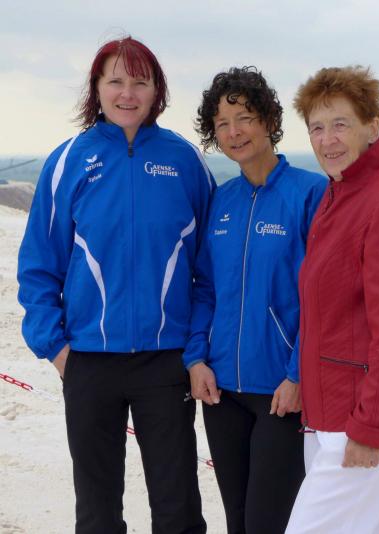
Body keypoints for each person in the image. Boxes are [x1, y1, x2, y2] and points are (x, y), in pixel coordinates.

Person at [17, 36, 211, 533]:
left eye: (140, 82)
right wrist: (57, 348)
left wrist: (195, 349)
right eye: (116, 81)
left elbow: (210, 268)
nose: (128, 93)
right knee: (98, 511)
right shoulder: (68, 161)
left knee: (178, 507)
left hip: (165, 361)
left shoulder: (184, 161)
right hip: (87, 359)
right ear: (97, 88)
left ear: (156, 90)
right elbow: (39, 264)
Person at [285, 66, 379, 534]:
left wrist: (371, 427)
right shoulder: (342, 195)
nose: (327, 139)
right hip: (330, 410)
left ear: (372, 126)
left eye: (340, 124)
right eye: (316, 127)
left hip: (367, 415)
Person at [185, 66, 328, 534]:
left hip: (281, 392)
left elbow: (323, 297)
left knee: (269, 522)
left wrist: (298, 374)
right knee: (238, 521)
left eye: (244, 118)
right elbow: (205, 288)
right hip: (221, 391)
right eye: (222, 124)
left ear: (269, 120)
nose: (234, 132)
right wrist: (196, 359)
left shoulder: (310, 194)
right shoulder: (221, 201)